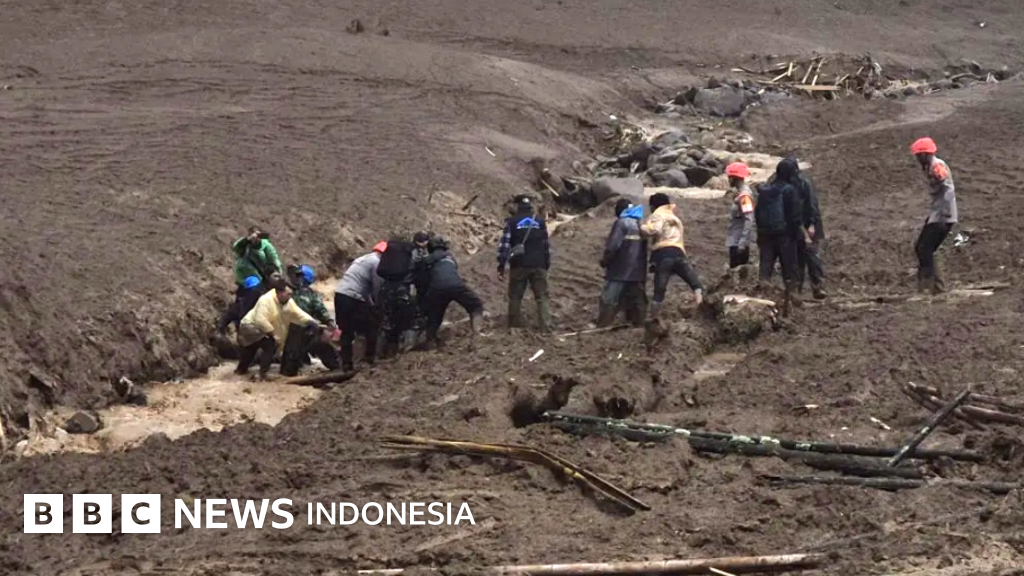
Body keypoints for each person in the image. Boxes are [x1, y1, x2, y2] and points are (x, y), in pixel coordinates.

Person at [236, 286, 323, 381]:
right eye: (288, 294)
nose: (290, 296)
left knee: (251, 347)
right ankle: (263, 373)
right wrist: (273, 334)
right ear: (279, 293)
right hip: (250, 325)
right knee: (270, 345)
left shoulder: (288, 303)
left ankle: (241, 370)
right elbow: (260, 320)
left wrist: (312, 322)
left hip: (260, 328)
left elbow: (299, 314)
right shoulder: (266, 300)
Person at [639, 193, 704, 320]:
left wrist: (641, 226)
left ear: (653, 206)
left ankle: (653, 319)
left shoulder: (657, 215)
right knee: (696, 285)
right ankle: (701, 311)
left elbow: (655, 230)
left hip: (663, 255)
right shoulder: (674, 217)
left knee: (659, 291)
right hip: (679, 254)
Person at [755, 161, 805, 316]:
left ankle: (761, 303)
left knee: (765, 271)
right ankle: (791, 306)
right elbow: (795, 217)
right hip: (785, 237)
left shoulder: (764, 190)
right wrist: (798, 236)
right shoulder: (789, 190)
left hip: (765, 237)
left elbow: (757, 214)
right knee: (789, 272)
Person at [497, 195, 552, 332]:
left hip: (519, 265)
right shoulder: (539, 221)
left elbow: (504, 246)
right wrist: (546, 263)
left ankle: (514, 327)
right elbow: (546, 244)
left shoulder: (512, 222)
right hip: (539, 264)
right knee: (542, 297)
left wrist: (501, 266)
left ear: (517, 206)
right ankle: (546, 328)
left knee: (515, 297)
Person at [774, 158, 826, 299]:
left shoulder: (804, 185)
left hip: (809, 223)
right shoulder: (784, 187)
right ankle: (797, 291)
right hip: (794, 226)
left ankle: (818, 287)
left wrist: (812, 224)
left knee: (812, 256)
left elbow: (812, 205)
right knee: (796, 260)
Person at [911, 137, 958, 294]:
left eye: (918, 155)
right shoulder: (929, 165)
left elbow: (947, 188)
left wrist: (944, 213)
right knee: (923, 248)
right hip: (938, 213)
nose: (917, 158)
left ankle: (928, 288)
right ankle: (936, 287)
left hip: (943, 214)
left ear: (926, 154)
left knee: (924, 248)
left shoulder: (937, 166)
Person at [421, 236, 485, 347]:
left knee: (434, 315)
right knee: (475, 305)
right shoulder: (450, 257)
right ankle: (477, 333)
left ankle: (430, 341)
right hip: (456, 285)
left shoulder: (427, 259)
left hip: (436, 288)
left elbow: (423, 279)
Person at [217, 227, 282, 334]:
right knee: (243, 304)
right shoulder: (245, 244)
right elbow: (236, 248)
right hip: (245, 279)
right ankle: (236, 328)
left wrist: (276, 276)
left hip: (261, 280)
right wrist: (247, 240)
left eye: (258, 236)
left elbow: (275, 261)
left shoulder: (266, 247)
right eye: (254, 235)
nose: (256, 238)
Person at [280, 265, 341, 376]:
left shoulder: (298, 294)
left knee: (290, 363)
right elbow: (322, 311)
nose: (294, 277)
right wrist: (329, 322)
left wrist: (329, 322)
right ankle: (335, 366)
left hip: (300, 330)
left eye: (298, 275)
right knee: (319, 346)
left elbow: (321, 311)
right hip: (304, 330)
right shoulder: (306, 294)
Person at [335, 242, 386, 372]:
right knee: (369, 327)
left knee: (346, 331)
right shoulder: (376, 263)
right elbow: (377, 288)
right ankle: (368, 359)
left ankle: (346, 364)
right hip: (353, 298)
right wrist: (378, 306)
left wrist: (370, 302)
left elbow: (364, 289)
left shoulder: (361, 259)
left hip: (340, 294)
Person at [598, 198, 648, 327]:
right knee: (638, 301)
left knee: (609, 299)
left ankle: (602, 326)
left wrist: (605, 260)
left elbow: (613, 246)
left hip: (620, 270)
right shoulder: (640, 224)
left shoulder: (621, 223)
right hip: (637, 272)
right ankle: (638, 326)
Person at [376, 236, 419, 355]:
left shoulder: (390, 255)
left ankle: (377, 356)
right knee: (411, 322)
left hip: (385, 291)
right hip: (402, 291)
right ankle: (406, 353)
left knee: (386, 324)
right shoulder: (409, 254)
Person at [725, 162, 756, 268]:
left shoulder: (744, 197)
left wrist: (742, 243)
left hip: (738, 243)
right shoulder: (739, 194)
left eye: (729, 177)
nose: (728, 180)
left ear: (734, 178)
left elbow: (749, 220)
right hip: (735, 241)